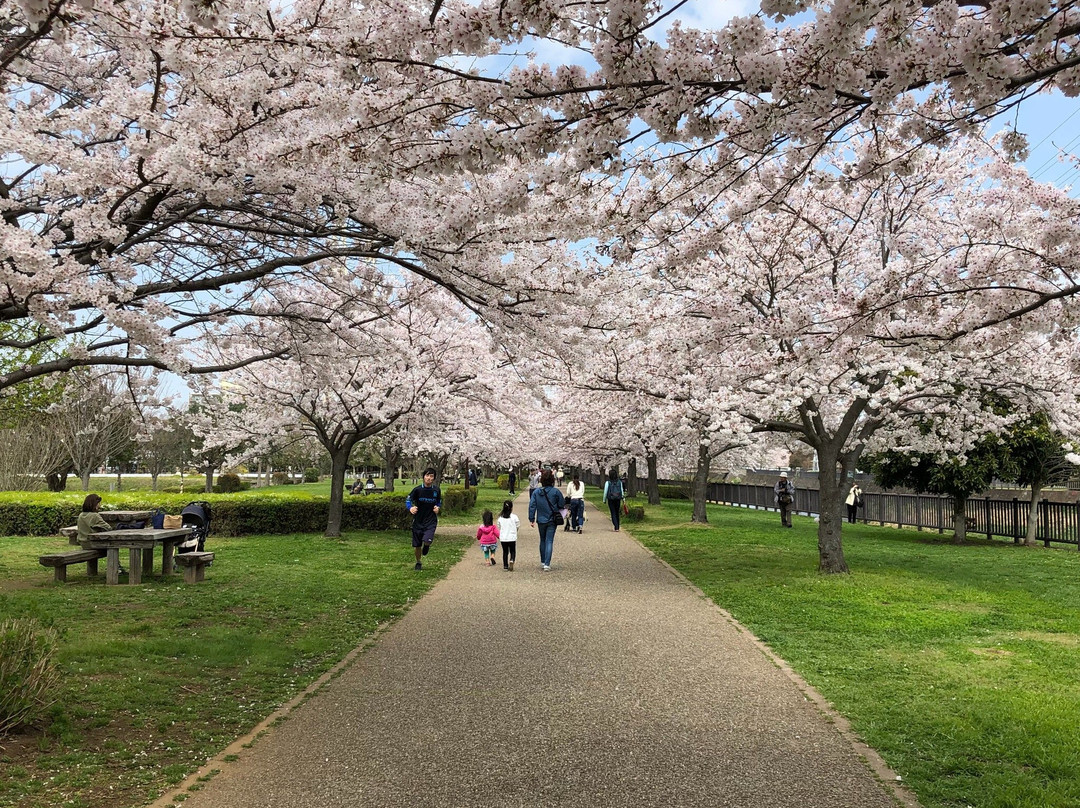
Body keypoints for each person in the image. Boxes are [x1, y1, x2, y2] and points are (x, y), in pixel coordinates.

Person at [528, 469, 565, 572]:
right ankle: (547, 564)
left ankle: (543, 561)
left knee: (542, 540)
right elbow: (561, 504)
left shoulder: (536, 492)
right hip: (552, 519)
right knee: (549, 540)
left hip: (541, 519)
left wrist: (531, 518)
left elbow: (532, 506)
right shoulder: (556, 492)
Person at [406, 468, 442, 570]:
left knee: (427, 540)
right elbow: (408, 500)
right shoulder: (417, 490)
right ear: (423, 477)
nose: (429, 478)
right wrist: (410, 508)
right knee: (417, 545)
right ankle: (418, 562)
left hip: (431, 520)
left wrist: (437, 507)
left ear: (434, 478)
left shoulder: (436, 490)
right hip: (418, 521)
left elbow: (439, 501)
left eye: (431, 476)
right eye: (427, 475)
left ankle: (426, 545)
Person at [497, 499, 520, 571]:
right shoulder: (514, 517)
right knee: (512, 550)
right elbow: (518, 525)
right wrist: (515, 531)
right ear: (511, 508)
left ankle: (505, 566)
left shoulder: (500, 518)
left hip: (503, 538)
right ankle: (512, 559)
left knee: (505, 552)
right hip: (512, 537)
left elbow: (499, 526)